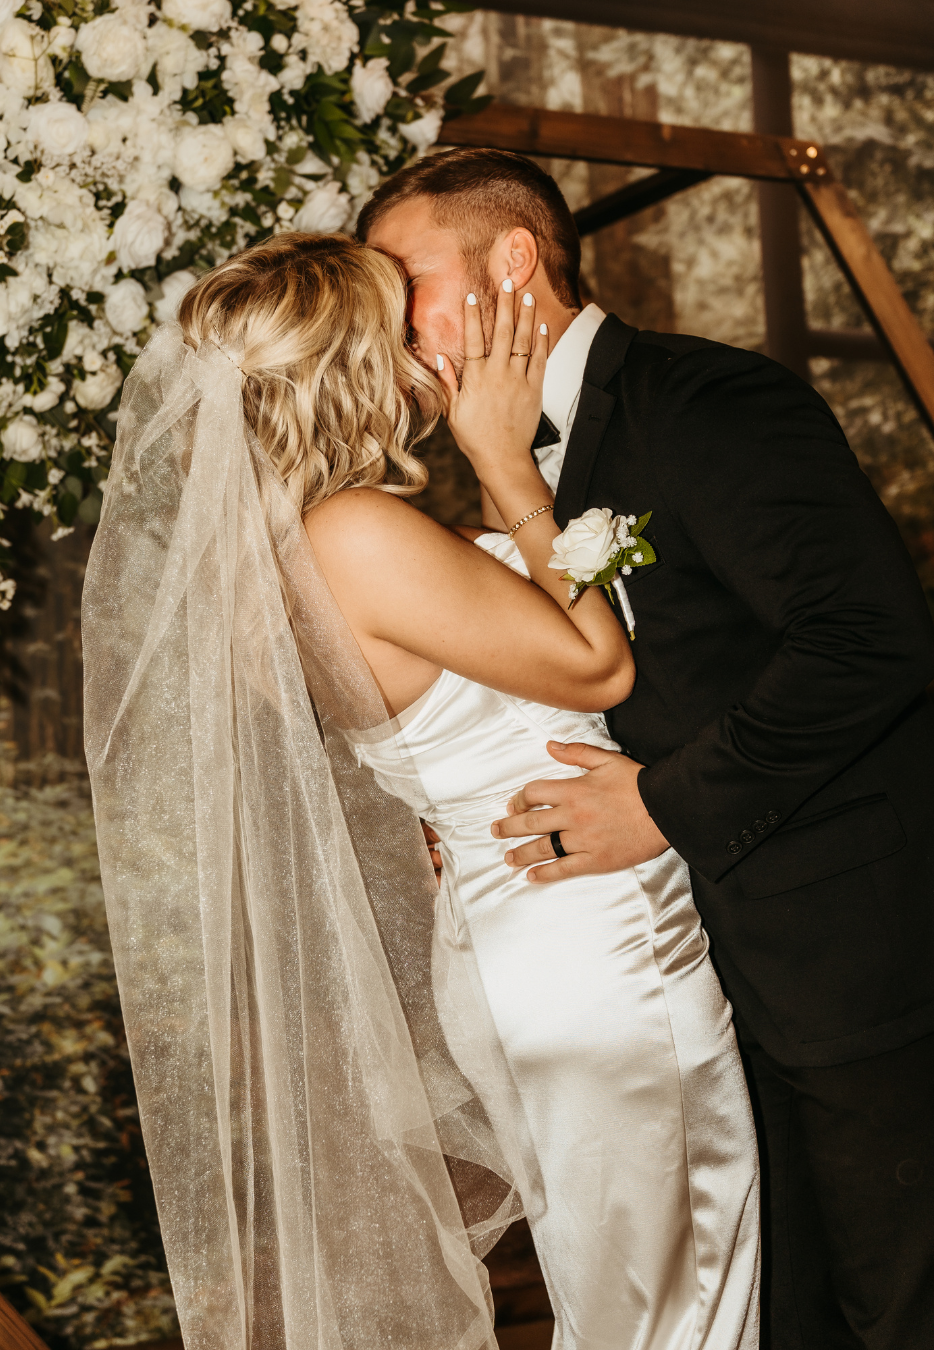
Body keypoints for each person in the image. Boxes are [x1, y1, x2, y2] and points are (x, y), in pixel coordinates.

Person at [83, 231, 760, 1350]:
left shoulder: (283, 559)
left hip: (514, 932)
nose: (424, 352)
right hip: (590, 945)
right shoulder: (354, 535)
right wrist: (506, 463)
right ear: (361, 364)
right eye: (398, 329)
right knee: (680, 1308)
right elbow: (598, 667)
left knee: (629, 1302)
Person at [360, 147, 934, 1350]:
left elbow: (869, 641)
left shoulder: (708, 401)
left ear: (513, 260)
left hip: (844, 961)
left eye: (405, 277)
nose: (392, 320)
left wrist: (665, 806)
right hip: (685, 978)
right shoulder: (483, 462)